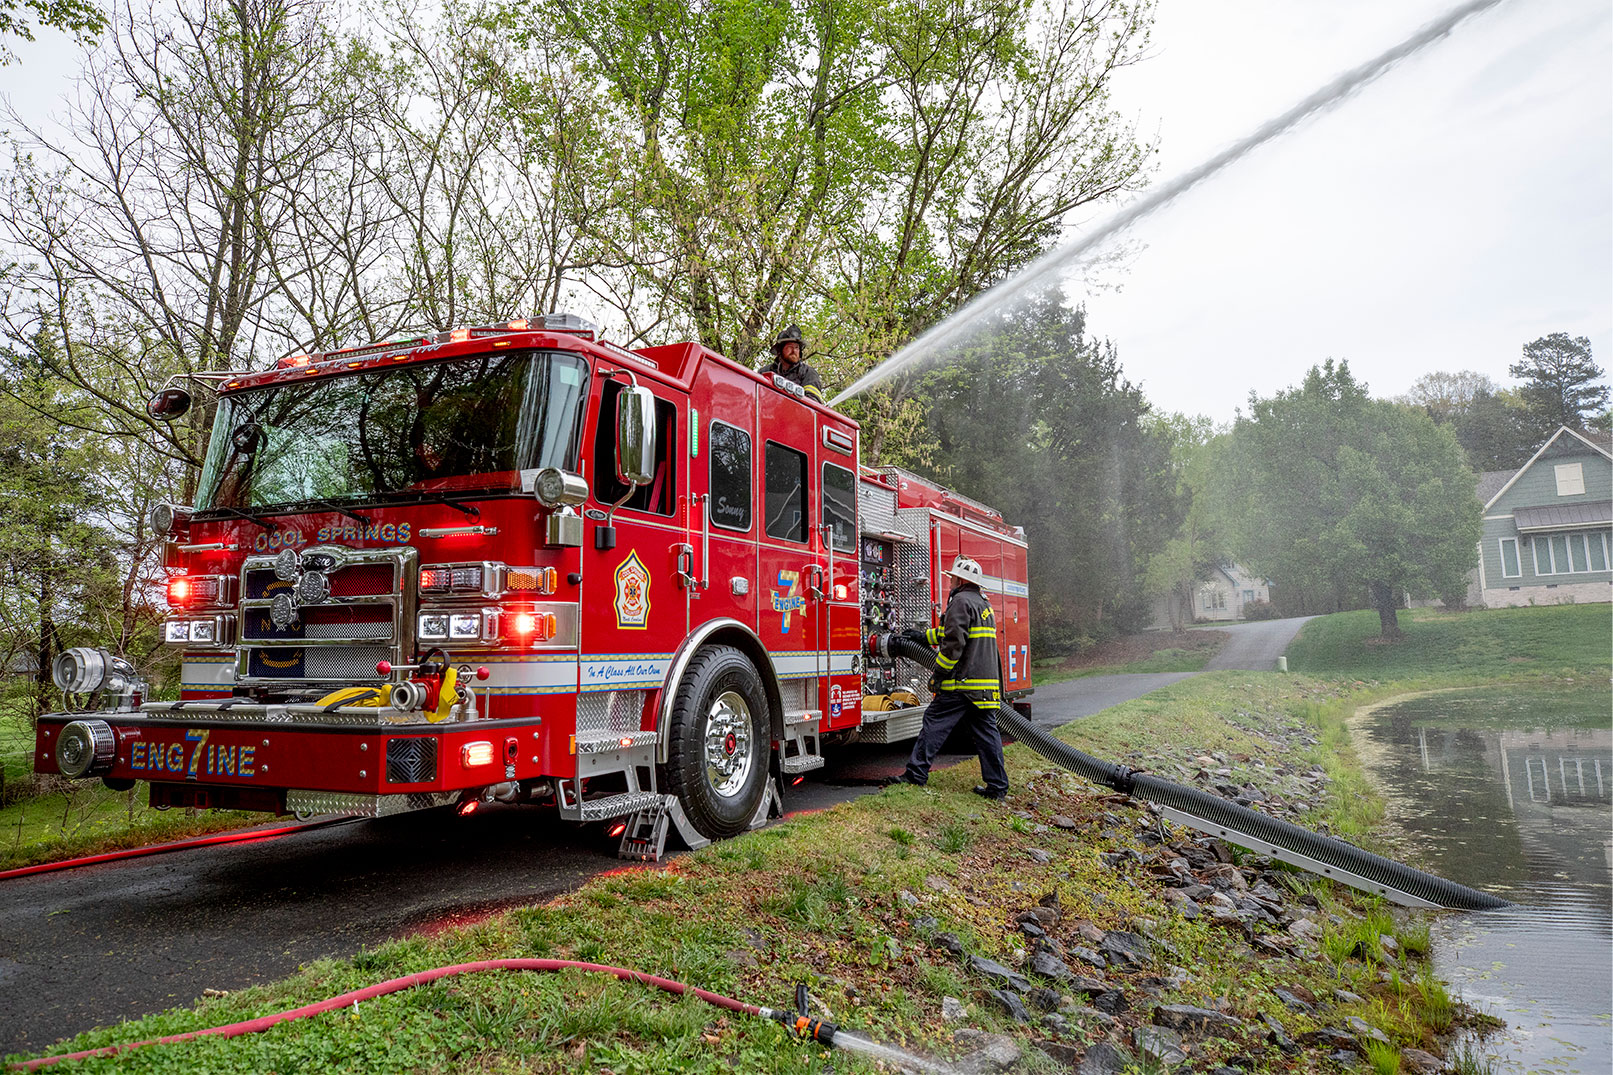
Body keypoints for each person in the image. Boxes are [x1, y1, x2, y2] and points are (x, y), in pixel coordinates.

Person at [893, 555, 1009, 799]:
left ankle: (916, 774)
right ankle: (998, 787)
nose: (950, 583)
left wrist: (940, 672)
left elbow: (954, 642)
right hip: (984, 687)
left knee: (933, 723)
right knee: (988, 737)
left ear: (959, 579)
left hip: (963, 684)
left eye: (952, 578)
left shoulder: (960, 601)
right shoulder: (983, 604)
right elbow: (953, 632)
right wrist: (924, 637)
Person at [757, 324, 825, 403]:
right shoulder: (765, 372)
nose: (794, 351)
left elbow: (812, 404)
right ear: (780, 351)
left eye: (796, 347)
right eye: (790, 347)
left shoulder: (808, 373)